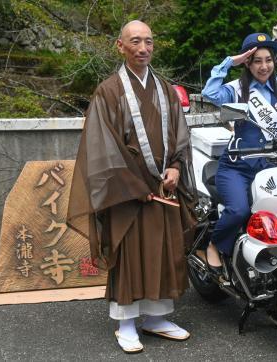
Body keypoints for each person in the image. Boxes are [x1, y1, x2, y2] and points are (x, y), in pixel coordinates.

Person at [67, 20, 196, 354]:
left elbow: (181, 136)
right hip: (125, 191)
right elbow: (101, 146)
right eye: (135, 41)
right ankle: (126, 323)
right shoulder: (108, 90)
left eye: (149, 42)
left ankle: (157, 317)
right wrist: (134, 184)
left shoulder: (166, 88)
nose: (143, 48)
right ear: (119, 46)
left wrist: (176, 166)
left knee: (163, 250)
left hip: (163, 188)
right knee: (130, 255)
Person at [201, 33, 277, 273]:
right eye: (257, 60)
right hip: (236, 167)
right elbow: (209, 94)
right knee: (239, 211)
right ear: (247, 62)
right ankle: (213, 246)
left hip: (269, 168)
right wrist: (229, 62)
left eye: (268, 60)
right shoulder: (237, 90)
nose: (264, 66)